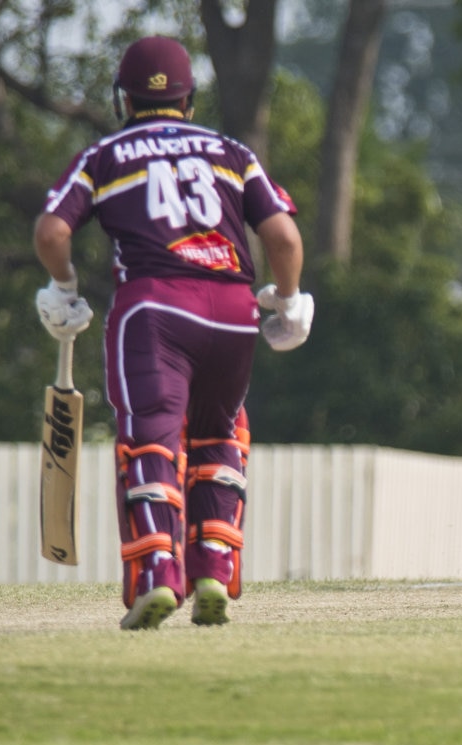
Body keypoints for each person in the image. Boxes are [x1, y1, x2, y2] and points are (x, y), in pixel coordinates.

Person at [33, 36, 312, 630]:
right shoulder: (232, 152)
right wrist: (288, 301)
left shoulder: (106, 154)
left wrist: (63, 287)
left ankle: (158, 576)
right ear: (189, 99)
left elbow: (54, 231)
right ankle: (213, 568)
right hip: (234, 311)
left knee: (151, 441)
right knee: (220, 437)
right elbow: (284, 239)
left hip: (155, 308)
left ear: (124, 98)